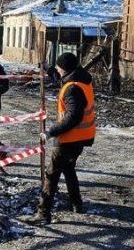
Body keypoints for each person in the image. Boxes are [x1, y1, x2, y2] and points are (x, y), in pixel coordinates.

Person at [22, 52, 96, 225]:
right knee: (69, 169)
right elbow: (60, 80)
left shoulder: (72, 89)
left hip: (70, 137)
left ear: (65, 69)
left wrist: (51, 132)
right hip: (83, 136)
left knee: (51, 174)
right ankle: (76, 204)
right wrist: (48, 69)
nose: (58, 71)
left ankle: (43, 213)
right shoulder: (81, 80)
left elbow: (73, 116)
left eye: (59, 68)